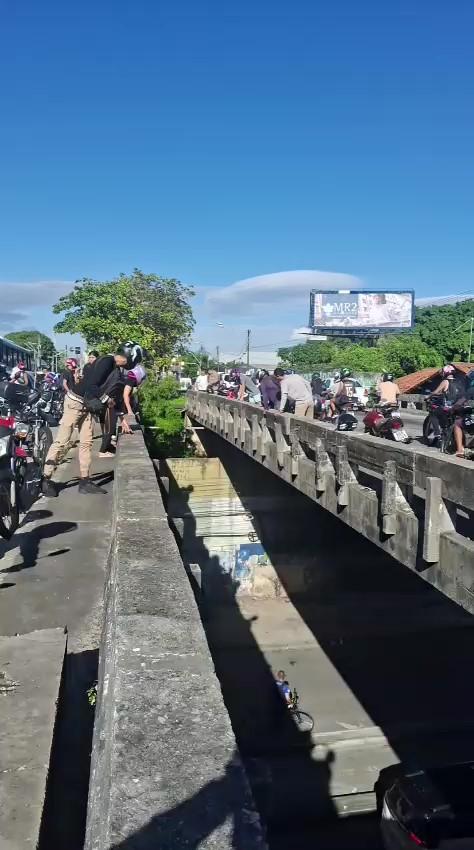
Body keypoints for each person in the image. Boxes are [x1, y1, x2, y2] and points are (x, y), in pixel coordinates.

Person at [41, 343, 137, 497]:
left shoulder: (114, 367)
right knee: (62, 441)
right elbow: (92, 385)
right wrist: (106, 400)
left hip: (86, 406)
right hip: (74, 403)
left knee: (86, 443)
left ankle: (85, 481)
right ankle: (46, 478)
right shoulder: (107, 361)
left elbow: (113, 393)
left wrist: (120, 416)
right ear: (128, 357)